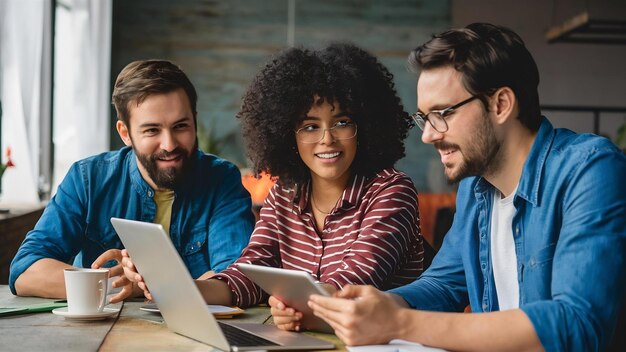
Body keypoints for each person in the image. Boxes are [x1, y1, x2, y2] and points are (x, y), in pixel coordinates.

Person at [308, 23, 626, 351]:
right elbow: (444, 285)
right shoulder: (475, 188)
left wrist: (400, 322)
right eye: (424, 118)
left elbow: (577, 324)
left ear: (501, 104)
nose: (428, 134)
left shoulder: (590, 169)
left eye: (442, 113)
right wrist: (375, 307)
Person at [122, 43, 424, 330]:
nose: (327, 139)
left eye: (342, 122)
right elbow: (250, 271)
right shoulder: (285, 194)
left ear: (365, 126)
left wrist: (296, 305)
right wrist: (176, 288)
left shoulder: (392, 191)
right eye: (310, 126)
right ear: (286, 134)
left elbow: (354, 280)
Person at [9, 60, 255, 301]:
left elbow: (235, 279)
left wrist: (155, 285)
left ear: (194, 120)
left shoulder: (222, 180)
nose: (169, 144)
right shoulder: (88, 179)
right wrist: (115, 283)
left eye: (180, 126)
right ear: (125, 133)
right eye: (151, 130)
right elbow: (26, 271)